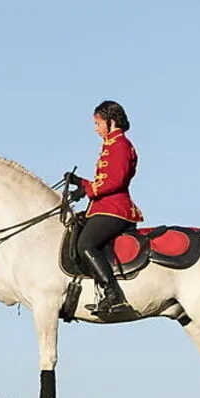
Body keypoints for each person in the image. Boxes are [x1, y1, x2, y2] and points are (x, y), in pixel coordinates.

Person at [64, 100, 144, 316]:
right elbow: (105, 180)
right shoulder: (111, 144)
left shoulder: (120, 144)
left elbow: (115, 181)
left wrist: (87, 190)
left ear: (112, 121)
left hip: (116, 209)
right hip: (104, 207)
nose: (96, 128)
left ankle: (114, 296)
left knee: (85, 244)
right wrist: (80, 182)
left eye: (98, 123)